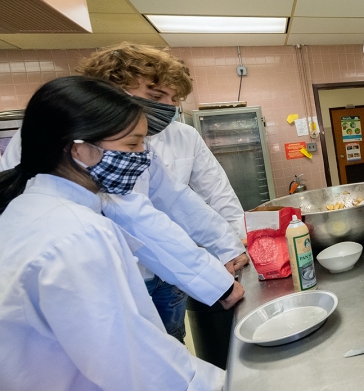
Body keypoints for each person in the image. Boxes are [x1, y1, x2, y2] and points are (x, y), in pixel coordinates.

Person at [0, 43, 248, 342]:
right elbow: (136, 217)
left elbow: (177, 199)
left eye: (173, 100)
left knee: (167, 343)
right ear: (107, 91)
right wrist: (214, 280)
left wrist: (229, 245)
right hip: (94, 283)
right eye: (156, 97)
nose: (167, 108)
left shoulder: (139, 149)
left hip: (158, 275)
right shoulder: (69, 210)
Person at [0, 77, 224, 390]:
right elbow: (133, 362)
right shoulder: (78, 234)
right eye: (132, 145)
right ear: (79, 150)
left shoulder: (26, 210)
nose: (142, 155)